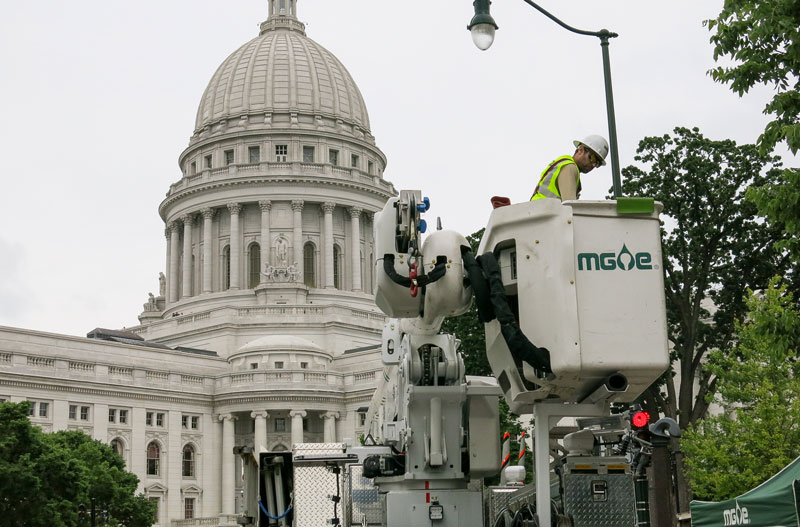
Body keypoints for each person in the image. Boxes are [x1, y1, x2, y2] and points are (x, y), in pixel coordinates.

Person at [530, 135, 609, 201]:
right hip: (544, 215)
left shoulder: (563, 164)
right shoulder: (570, 167)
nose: (593, 165)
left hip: (539, 214)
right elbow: (570, 207)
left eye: (597, 164)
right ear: (581, 150)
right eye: (593, 158)